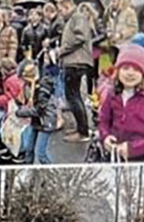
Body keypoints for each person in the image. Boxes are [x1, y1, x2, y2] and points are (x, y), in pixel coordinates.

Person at [57, 0, 95, 141]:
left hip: (76, 62)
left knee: (73, 96)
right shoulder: (74, 18)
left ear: (66, 5)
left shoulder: (77, 17)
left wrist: (63, 49)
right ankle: (81, 127)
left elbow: (80, 37)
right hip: (74, 61)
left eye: (61, 8)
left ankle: (83, 132)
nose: (60, 12)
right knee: (73, 96)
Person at [17, 63, 58, 164]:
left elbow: (39, 110)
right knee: (29, 149)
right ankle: (28, 167)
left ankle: (50, 171)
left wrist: (21, 112)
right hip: (37, 121)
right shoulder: (31, 87)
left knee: (41, 153)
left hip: (46, 121)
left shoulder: (42, 90)